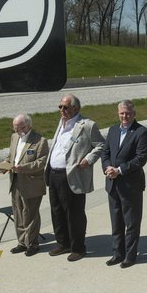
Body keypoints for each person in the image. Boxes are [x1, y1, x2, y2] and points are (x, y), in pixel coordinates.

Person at [44, 94, 105, 262]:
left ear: (76, 108)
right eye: (60, 107)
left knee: (74, 213)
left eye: (65, 107)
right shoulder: (61, 124)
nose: (61, 110)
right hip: (54, 174)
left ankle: (78, 248)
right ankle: (63, 243)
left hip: (72, 175)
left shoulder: (87, 125)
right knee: (57, 211)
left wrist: (88, 159)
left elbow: (101, 145)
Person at [101, 100, 147, 268]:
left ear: (134, 114)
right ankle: (118, 253)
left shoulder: (141, 132)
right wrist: (107, 167)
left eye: (128, 113)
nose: (125, 116)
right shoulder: (113, 130)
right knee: (116, 222)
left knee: (131, 223)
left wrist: (120, 170)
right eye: (122, 113)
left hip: (131, 185)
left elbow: (140, 158)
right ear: (118, 114)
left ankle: (130, 256)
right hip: (112, 184)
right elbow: (105, 152)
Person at [4, 114, 49, 257]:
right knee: (18, 213)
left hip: (31, 183)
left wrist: (22, 168)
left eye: (18, 128)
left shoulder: (40, 141)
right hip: (16, 181)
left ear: (27, 126)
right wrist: (5, 165)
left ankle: (33, 244)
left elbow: (41, 163)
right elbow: (11, 156)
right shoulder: (14, 137)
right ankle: (22, 242)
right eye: (14, 127)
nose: (16, 130)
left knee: (30, 214)